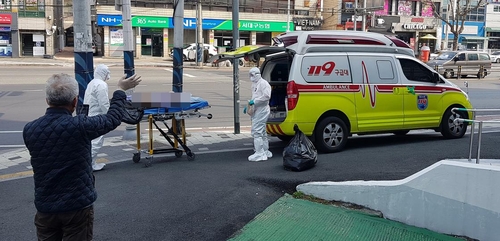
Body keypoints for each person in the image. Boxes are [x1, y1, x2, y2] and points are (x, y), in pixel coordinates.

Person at [23, 73, 141, 240]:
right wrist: (121, 90)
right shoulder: (80, 126)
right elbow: (112, 118)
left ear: (47, 101)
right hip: (76, 205)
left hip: (45, 207)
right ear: (74, 101)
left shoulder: (30, 129)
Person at [83, 64, 111, 171]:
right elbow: (104, 103)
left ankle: (91, 163)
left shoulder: (92, 83)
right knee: (96, 142)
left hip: (89, 115)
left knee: (91, 142)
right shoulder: (101, 85)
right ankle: (88, 165)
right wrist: (110, 116)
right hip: (97, 116)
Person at [247, 67, 272, 162]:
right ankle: (265, 150)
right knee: (262, 131)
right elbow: (255, 96)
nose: (251, 77)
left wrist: (254, 102)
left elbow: (266, 96)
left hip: (262, 110)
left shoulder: (264, 84)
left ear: (258, 74)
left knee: (256, 131)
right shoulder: (254, 84)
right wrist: (250, 105)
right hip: (257, 110)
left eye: (252, 75)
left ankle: (259, 153)